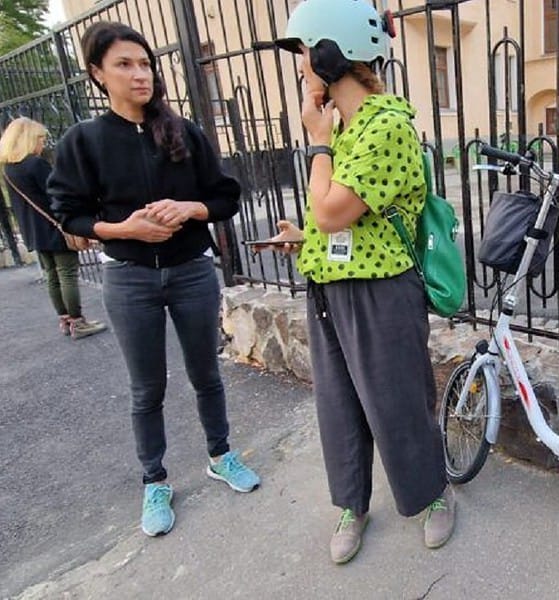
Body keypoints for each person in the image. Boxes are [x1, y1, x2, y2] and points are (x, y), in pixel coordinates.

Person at [47, 21, 259, 537]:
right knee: (147, 388)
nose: (139, 74)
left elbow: (227, 197)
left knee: (206, 373)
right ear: (98, 74)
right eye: (124, 64)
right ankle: (155, 480)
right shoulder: (84, 141)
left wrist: (191, 208)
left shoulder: (183, 133)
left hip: (191, 273)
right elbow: (67, 214)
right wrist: (124, 229)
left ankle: (220, 454)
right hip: (130, 279)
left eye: (145, 63)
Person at [269, 0, 455, 564]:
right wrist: (304, 236)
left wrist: (317, 143)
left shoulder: (388, 125)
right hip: (329, 285)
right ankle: (352, 503)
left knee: (397, 403)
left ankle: (431, 496)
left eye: (304, 52)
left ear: (331, 52)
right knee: (340, 405)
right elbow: (332, 219)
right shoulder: (345, 126)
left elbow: (334, 211)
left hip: (380, 291)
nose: (300, 64)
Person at [0, 117, 107, 338]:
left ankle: (65, 319)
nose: (42, 144)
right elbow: (57, 194)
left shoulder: (10, 169)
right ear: (28, 139)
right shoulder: (35, 164)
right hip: (54, 226)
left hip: (33, 229)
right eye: (40, 139)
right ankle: (78, 321)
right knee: (67, 272)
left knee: (51, 274)